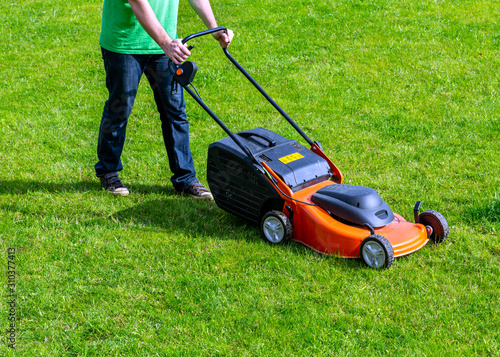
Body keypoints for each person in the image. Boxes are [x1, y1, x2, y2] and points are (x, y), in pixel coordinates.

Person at [95, 0, 233, 198]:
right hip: (125, 43)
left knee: (175, 111)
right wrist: (166, 43)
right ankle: (108, 170)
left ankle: (185, 179)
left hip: (166, 45)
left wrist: (214, 28)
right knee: (120, 108)